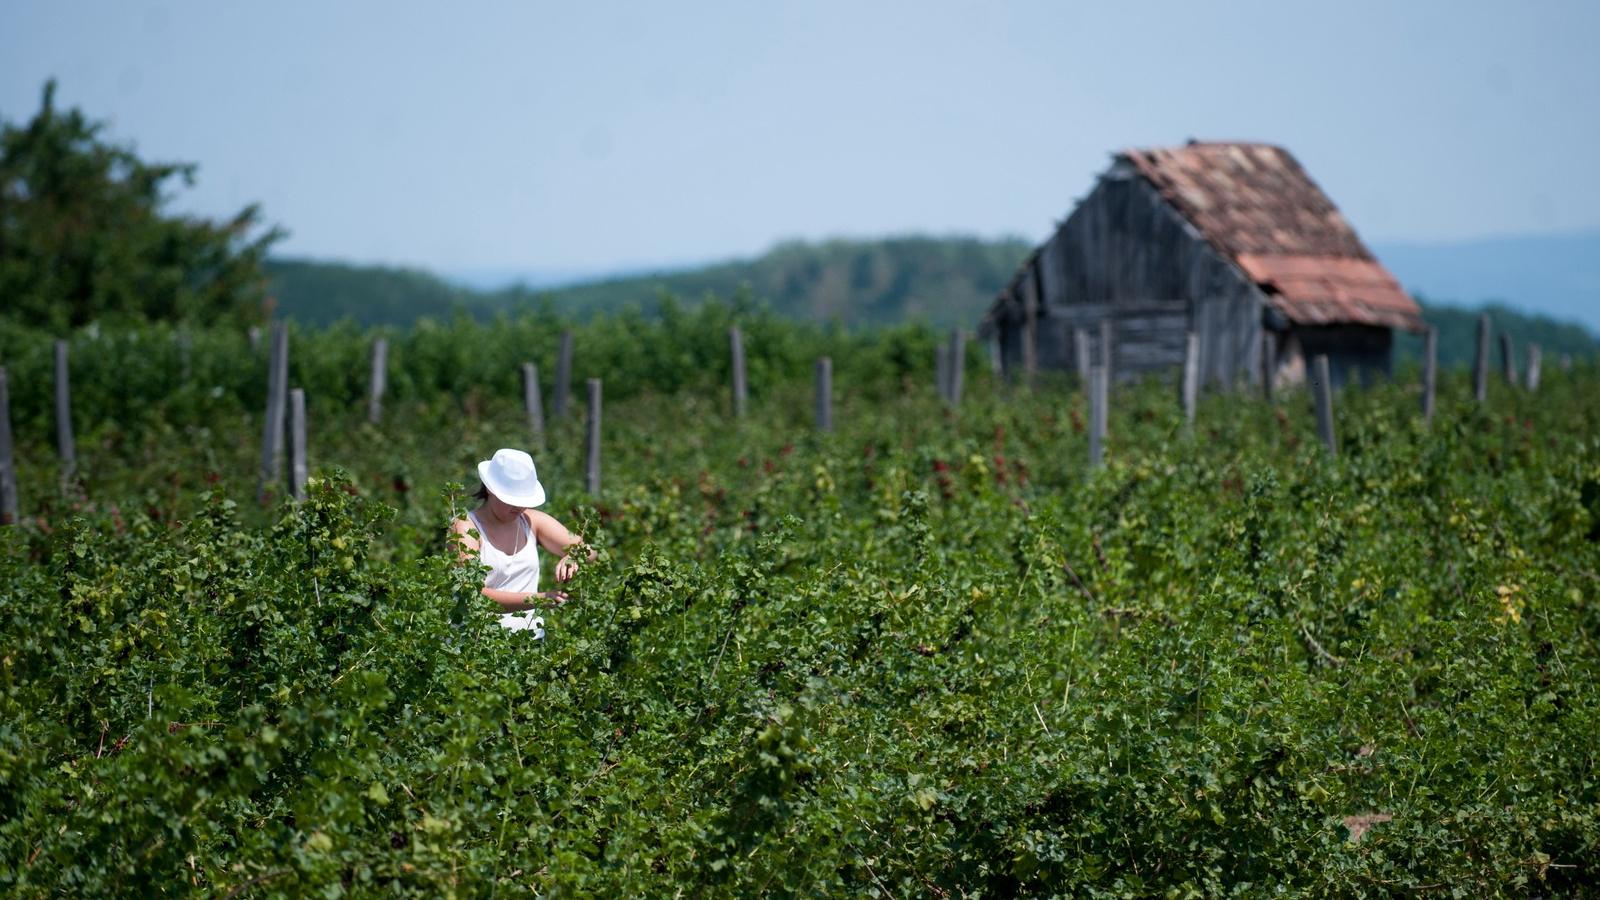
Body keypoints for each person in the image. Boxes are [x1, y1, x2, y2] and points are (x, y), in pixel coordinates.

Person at [449, 448, 588, 633]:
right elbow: (473, 595)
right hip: (477, 647)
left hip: (530, 643)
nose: (519, 506)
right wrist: (539, 599)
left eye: (523, 499)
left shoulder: (531, 521)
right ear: (490, 489)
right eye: (511, 499)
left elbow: (591, 551)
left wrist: (573, 555)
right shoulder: (465, 527)